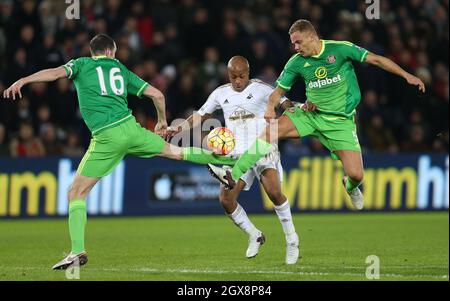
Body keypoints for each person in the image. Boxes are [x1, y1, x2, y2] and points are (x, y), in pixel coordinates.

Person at [3, 34, 237, 270]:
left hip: (106, 136)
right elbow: (158, 94)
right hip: (131, 129)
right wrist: (161, 123)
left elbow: (54, 73)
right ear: (111, 52)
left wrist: (23, 80)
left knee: (76, 193)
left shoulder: (81, 64)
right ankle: (221, 161)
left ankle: (77, 251)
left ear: (93, 51)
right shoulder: (121, 69)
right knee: (176, 152)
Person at [208, 19, 425, 213]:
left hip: (340, 122)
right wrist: (270, 108)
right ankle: (233, 175)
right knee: (270, 132)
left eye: (299, 42)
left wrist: (406, 75)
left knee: (357, 175)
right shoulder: (296, 62)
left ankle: (349, 186)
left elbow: (376, 60)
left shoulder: (339, 49)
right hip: (310, 115)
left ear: (312, 37)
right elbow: (276, 92)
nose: (295, 47)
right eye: (293, 43)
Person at [168, 56, 315, 264]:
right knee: (226, 200)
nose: (238, 81)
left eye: (242, 76)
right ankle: (254, 234)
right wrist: (177, 128)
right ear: (228, 74)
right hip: (236, 154)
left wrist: (294, 108)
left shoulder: (262, 88)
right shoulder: (220, 93)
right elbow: (200, 115)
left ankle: (292, 240)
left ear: (248, 72)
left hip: (262, 148)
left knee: (274, 192)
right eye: (233, 76)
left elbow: (284, 102)